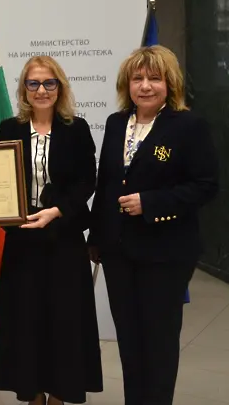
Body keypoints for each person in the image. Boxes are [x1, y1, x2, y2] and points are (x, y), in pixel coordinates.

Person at [88, 45, 218, 405]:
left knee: (158, 343)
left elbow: (206, 186)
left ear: (169, 83)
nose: (145, 86)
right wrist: (96, 238)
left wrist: (151, 202)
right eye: (137, 78)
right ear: (126, 84)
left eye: (155, 78)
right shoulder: (117, 123)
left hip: (166, 252)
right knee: (129, 342)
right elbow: (106, 183)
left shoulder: (189, 126)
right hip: (118, 252)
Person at [0, 56, 103, 405]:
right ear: (24, 89)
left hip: (64, 237)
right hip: (22, 239)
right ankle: (32, 392)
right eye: (33, 83)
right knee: (26, 319)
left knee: (64, 320)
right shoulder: (9, 128)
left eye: (49, 83)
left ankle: (59, 394)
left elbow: (87, 181)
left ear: (59, 87)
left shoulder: (76, 128)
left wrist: (57, 211)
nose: (41, 90)